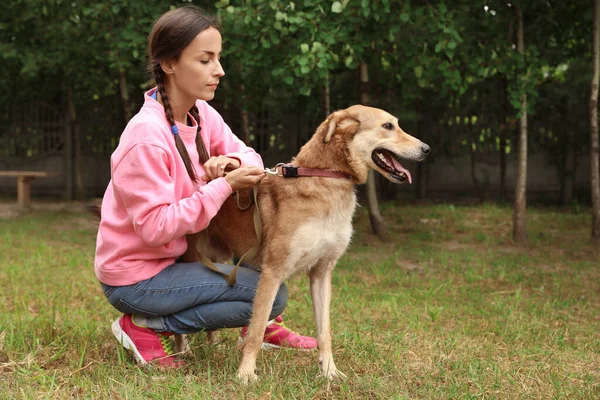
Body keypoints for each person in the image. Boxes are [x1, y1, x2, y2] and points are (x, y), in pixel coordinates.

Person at [95, 5, 316, 367]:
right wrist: (223, 186)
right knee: (269, 297)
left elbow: (252, 159)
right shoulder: (146, 137)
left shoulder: (200, 114)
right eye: (205, 60)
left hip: (175, 263)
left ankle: (242, 326)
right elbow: (154, 229)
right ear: (169, 64)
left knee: (266, 291)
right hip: (136, 278)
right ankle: (148, 324)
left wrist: (231, 163)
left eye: (219, 58)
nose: (219, 70)